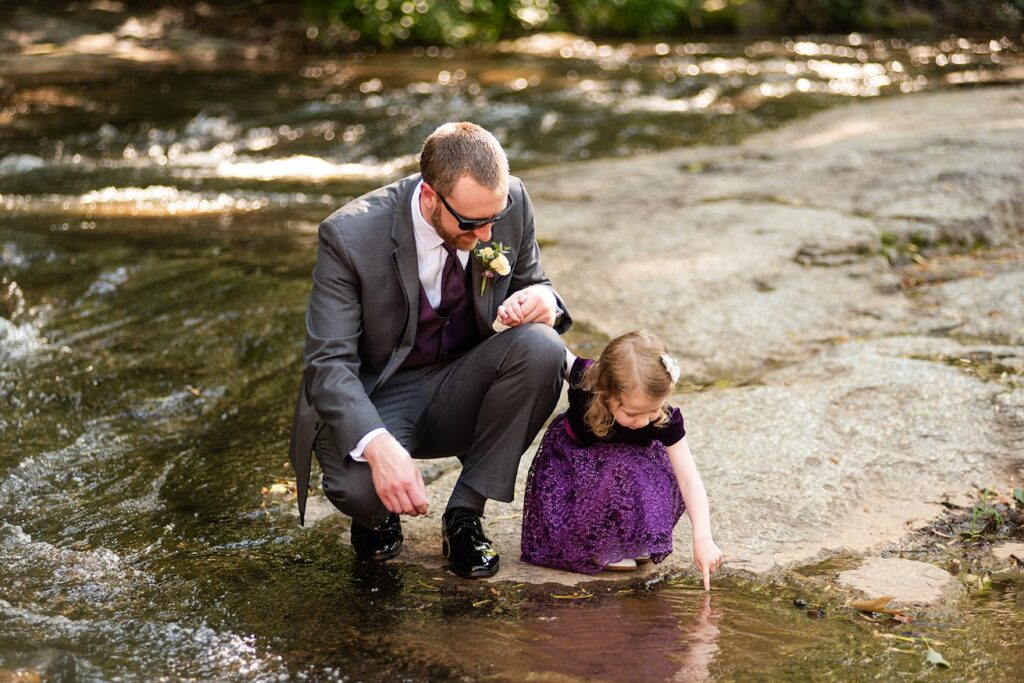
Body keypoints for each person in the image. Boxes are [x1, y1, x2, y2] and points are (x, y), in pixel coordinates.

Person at [289, 122, 571, 579]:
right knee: (362, 489)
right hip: (380, 393)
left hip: (463, 380)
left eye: (493, 220)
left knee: (543, 349)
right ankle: (376, 516)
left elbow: (534, 281)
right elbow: (328, 364)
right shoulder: (348, 236)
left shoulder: (508, 203)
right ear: (428, 197)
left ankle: (464, 514)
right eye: (472, 223)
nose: (485, 236)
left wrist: (544, 301)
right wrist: (378, 447)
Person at [520, 330, 723, 587]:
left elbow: (689, 478)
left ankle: (631, 538)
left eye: (653, 410)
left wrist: (703, 538)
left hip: (629, 471)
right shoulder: (588, 379)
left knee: (650, 470)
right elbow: (555, 352)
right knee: (615, 469)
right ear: (607, 393)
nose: (643, 421)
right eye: (632, 413)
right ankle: (599, 545)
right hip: (575, 473)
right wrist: (530, 315)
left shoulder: (665, 419)